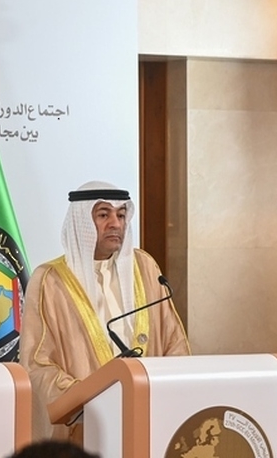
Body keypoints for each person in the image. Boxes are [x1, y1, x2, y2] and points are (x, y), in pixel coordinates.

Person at [19, 181, 190, 442]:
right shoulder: (50, 280)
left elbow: (173, 341)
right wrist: (90, 398)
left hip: (150, 417)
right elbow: (37, 363)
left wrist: (172, 389)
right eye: (103, 215)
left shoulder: (144, 266)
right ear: (82, 222)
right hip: (86, 428)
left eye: (121, 215)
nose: (115, 223)